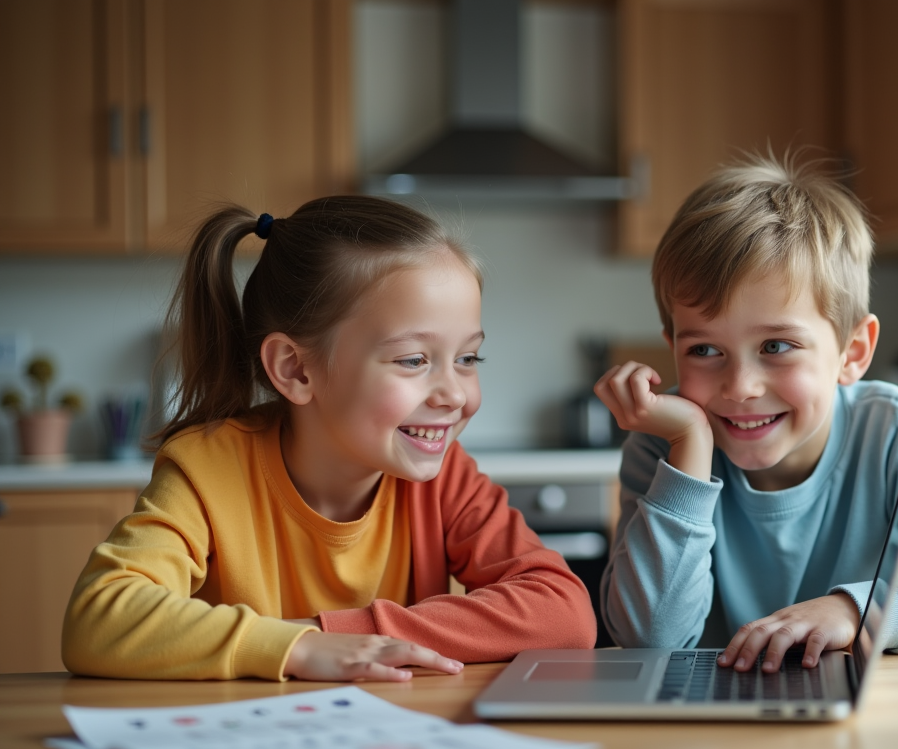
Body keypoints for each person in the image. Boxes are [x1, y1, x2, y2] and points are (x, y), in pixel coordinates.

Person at [63, 196, 595, 682]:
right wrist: (295, 648)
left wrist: (337, 633)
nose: (455, 394)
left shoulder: (443, 475)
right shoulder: (208, 469)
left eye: (468, 359)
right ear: (295, 369)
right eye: (414, 360)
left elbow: (564, 612)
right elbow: (99, 619)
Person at [594, 156, 898, 674]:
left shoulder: (895, 431)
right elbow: (648, 644)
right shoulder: (663, 445)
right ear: (671, 347)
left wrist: (858, 609)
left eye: (777, 345)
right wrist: (689, 448)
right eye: (704, 351)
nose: (741, 387)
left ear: (853, 352)